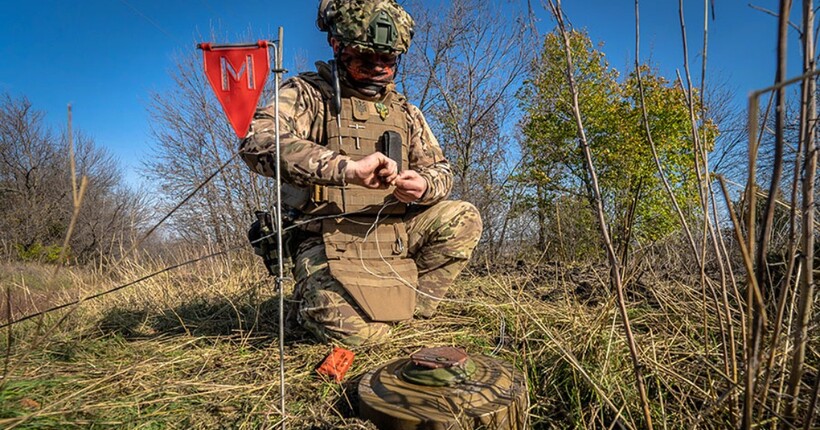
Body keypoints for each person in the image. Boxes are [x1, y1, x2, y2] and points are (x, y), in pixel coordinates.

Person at [239, 0, 482, 346]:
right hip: (324, 238)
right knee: (362, 337)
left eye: (389, 60)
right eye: (366, 59)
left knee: (463, 217)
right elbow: (258, 141)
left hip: (393, 234)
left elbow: (441, 170)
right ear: (338, 47)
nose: (380, 69)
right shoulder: (309, 95)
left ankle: (413, 312)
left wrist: (424, 185)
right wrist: (346, 170)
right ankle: (310, 304)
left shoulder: (406, 112)